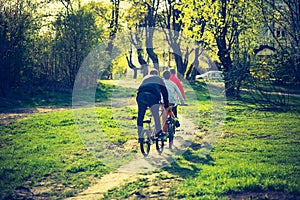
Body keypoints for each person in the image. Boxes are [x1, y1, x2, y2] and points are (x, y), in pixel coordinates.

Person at [136, 69, 169, 143]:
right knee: (156, 115)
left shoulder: (145, 78)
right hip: (153, 97)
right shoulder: (159, 79)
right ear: (157, 74)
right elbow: (165, 92)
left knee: (140, 116)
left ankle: (140, 136)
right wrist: (166, 105)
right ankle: (158, 132)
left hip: (141, 96)